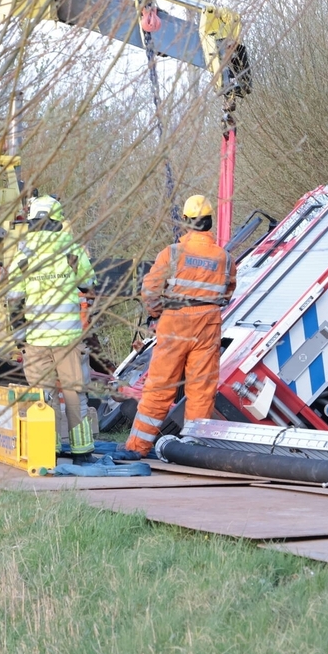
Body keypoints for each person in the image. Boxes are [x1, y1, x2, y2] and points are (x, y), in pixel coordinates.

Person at [123, 195, 237, 457]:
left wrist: (156, 313)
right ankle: (192, 450)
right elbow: (228, 292)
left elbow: (150, 289)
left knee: (160, 386)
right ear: (210, 222)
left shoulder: (172, 253)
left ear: (186, 222)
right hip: (208, 324)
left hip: (175, 321)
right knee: (201, 389)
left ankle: (138, 447)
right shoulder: (225, 259)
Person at [7, 195, 99, 465]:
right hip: (68, 338)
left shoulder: (24, 252)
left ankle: (49, 449)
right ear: (58, 220)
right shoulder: (71, 248)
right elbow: (88, 283)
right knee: (73, 393)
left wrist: (18, 334)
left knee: (42, 397)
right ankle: (82, 452)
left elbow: (13, 296)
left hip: (35, 338)